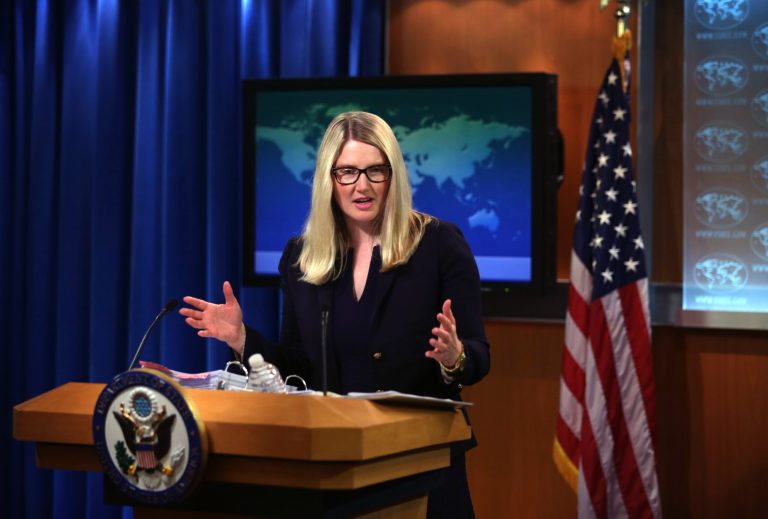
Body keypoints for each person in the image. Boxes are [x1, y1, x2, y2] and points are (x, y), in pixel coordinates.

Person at [180, 111, 490, 518]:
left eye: (375, 171)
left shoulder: (437, 244)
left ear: (392, 176)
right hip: (339, 465)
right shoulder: (302, 257)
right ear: (329, 179)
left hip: (423, 462)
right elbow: (297, 368)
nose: (362, 185)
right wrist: (241, 339)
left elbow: (479, 355)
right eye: (347, 172)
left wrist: (454, 358)